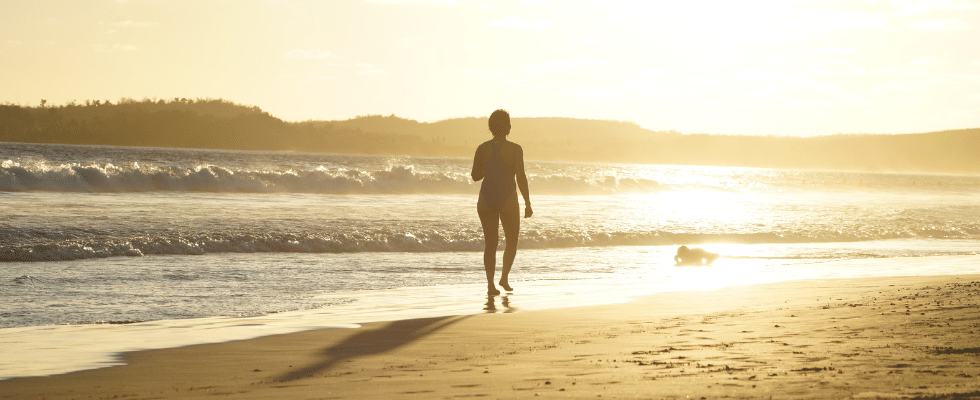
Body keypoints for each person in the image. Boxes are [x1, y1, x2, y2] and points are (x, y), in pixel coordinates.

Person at [472, 109, 532, 295]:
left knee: (490, 244)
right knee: (511, 242)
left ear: (490, 127)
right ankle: (504, 278)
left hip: (486, 199)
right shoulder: (515, 149)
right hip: (507, 199)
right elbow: (521, 177)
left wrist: (487, 169)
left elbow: (475, 176)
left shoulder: (482, 148)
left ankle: (490, 285)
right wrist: (528, 203)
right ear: (508, 128)